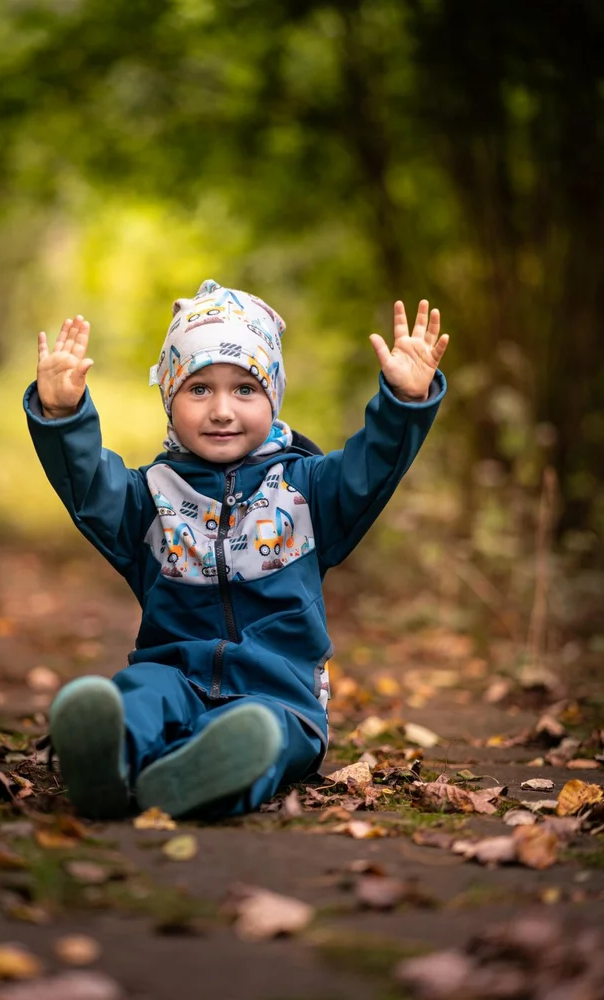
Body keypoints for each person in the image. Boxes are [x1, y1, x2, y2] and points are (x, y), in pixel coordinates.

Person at [24, 279, 449, 820]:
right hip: (173, 672)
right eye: (199, 389)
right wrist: (63, 418)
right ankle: (107, 765)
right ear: (169, 400)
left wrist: (405, 404)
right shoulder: (149, 497)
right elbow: (87, 486)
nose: (222, 409)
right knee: (139, 695)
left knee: (259, 737)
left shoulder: (309, 490)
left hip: (280, 699)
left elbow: (373, 470)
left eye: (245, 389)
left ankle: (195, 777)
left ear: (272, 396)